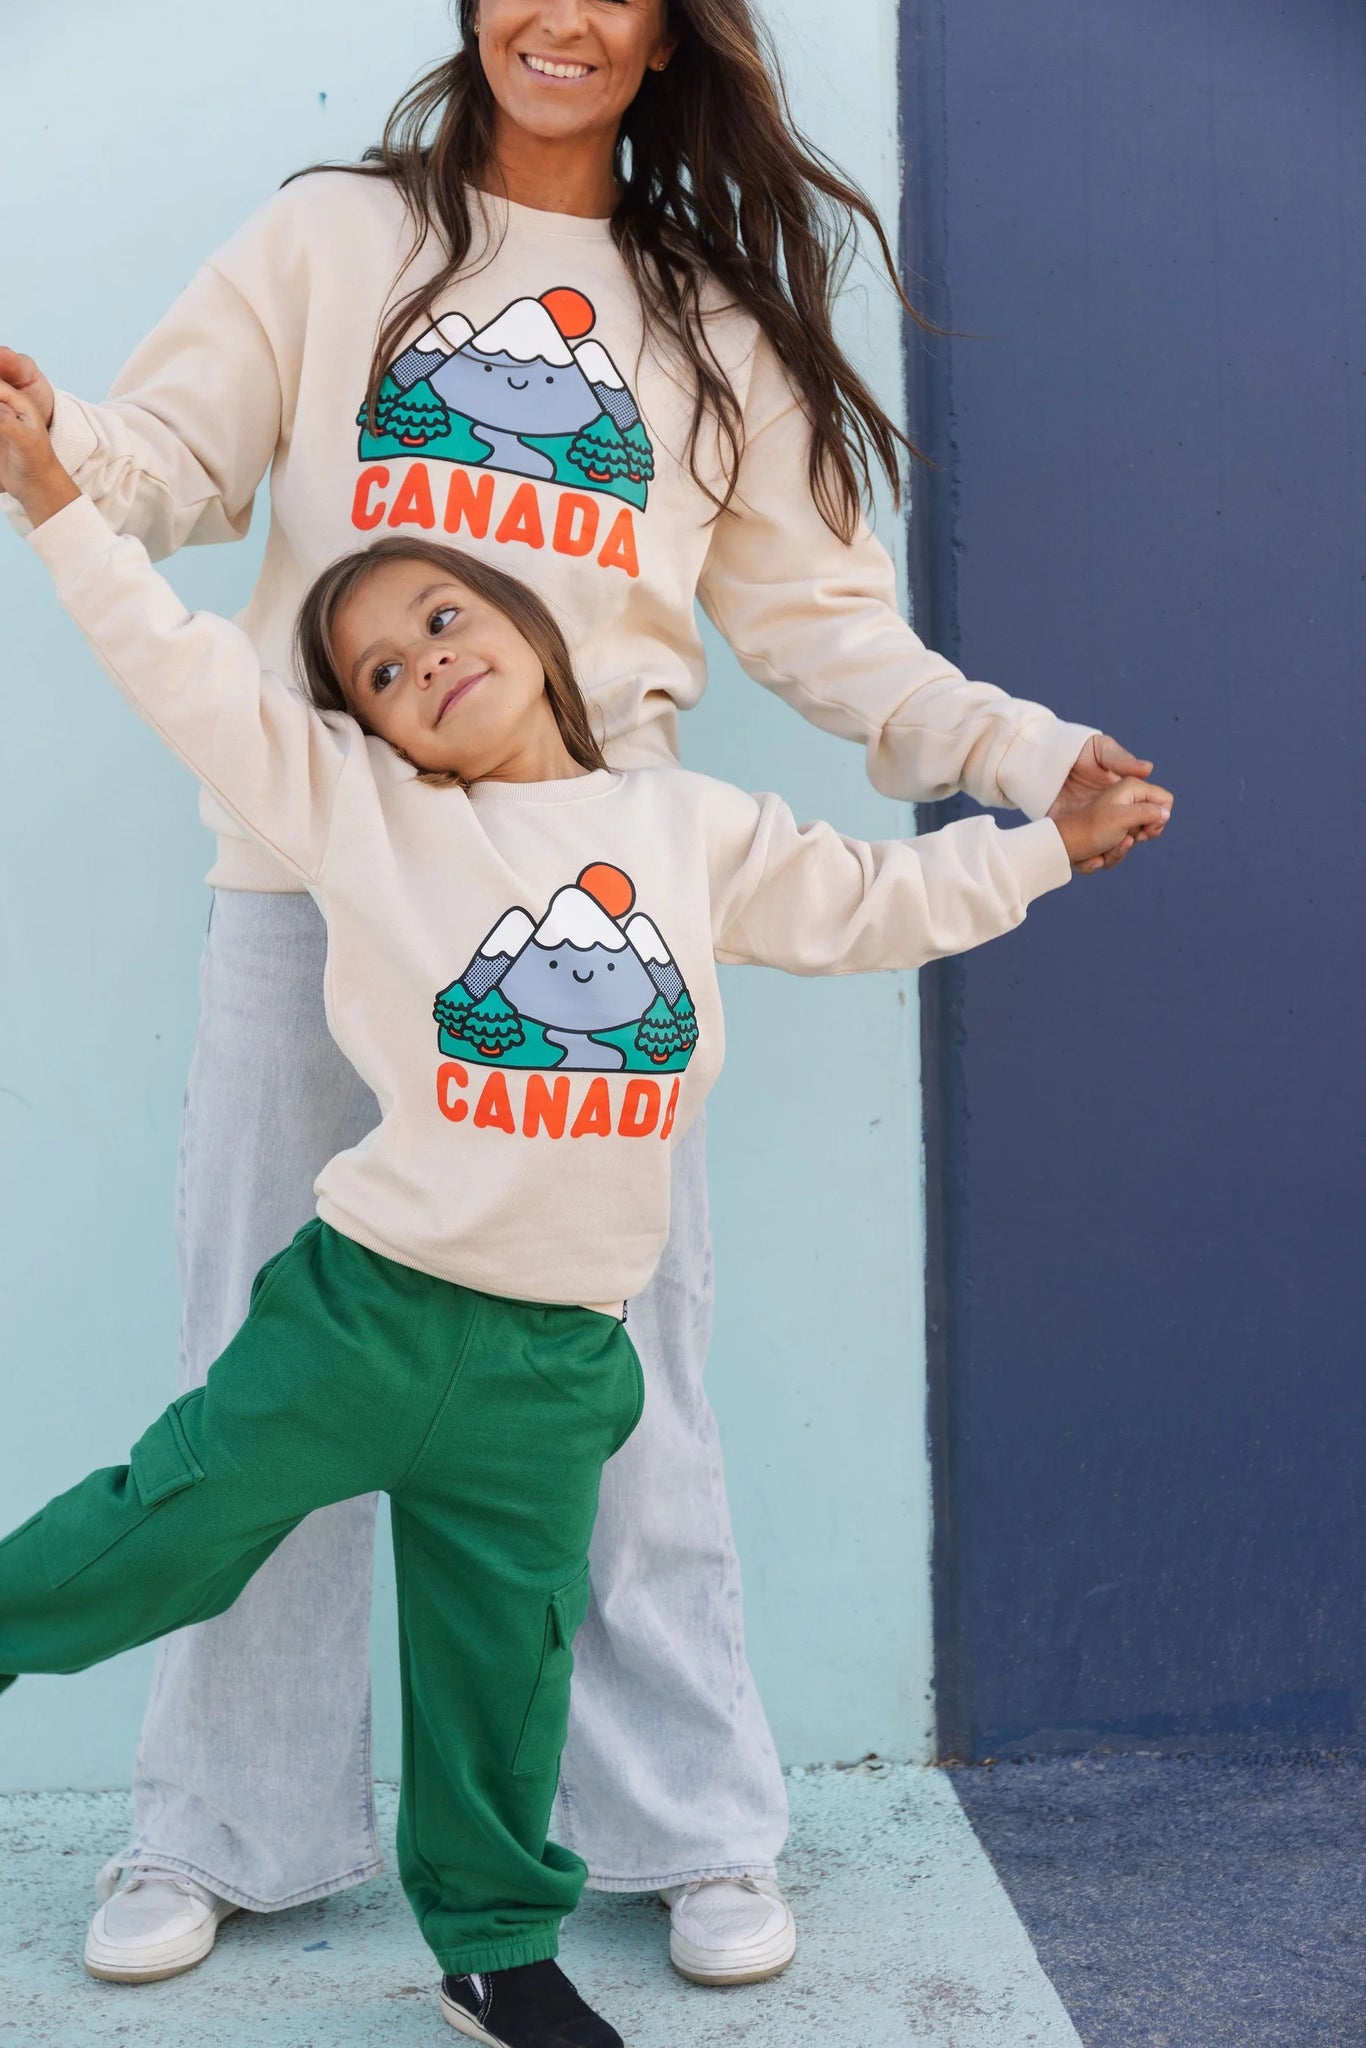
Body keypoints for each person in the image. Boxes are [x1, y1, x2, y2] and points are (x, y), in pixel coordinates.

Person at [0, 0, 1158, 1991]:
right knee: (264, 1374)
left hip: (602, 889)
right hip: (316, 868)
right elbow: (171, 464)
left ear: (664, 32)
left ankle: (680, 1824)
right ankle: (229, 1828)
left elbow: (833, 636)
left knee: (625, 1381)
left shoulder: (706, 324)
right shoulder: (333, 237)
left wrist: (1025, 761)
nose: (562, 15)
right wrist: (55, 452)